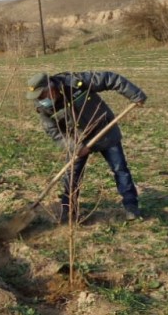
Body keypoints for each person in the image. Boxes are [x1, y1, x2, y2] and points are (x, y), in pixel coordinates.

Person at [26, 71, 147, 223]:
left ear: (50, 87)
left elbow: (111, 79)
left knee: (120, 169)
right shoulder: (43, 108)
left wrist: (135, 94)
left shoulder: (76, 83)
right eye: (37, 98)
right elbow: (54, 133)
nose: (40, 100)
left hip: (104, 131)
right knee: (72, 176)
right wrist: (75, 147)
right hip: (77, 140)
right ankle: (68, 211)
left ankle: (131, 206)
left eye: (42, 95)